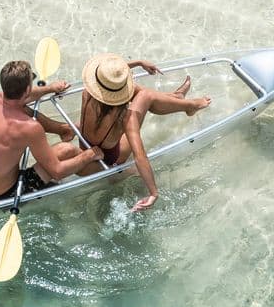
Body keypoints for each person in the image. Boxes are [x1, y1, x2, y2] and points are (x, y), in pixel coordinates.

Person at [75, 53, 211, 211]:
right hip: (113, 159)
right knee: (146, 95)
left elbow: (110, 76)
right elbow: (140, 155)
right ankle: (188, 105)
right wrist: (153, 192)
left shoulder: (86, 93)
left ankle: (176, 98)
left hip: (87, 147)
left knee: (138, 91)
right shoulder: (124, 118)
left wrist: (138, 62)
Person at [0, 59, 104, 202]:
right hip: (7, 195)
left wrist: (50, 88)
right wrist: (88, 155)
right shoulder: (30, 128)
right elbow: (57, 171)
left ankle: (63, 130)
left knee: (23, 110)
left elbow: (21, 98)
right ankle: (108, 172)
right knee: (67, 151)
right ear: (27, 89)